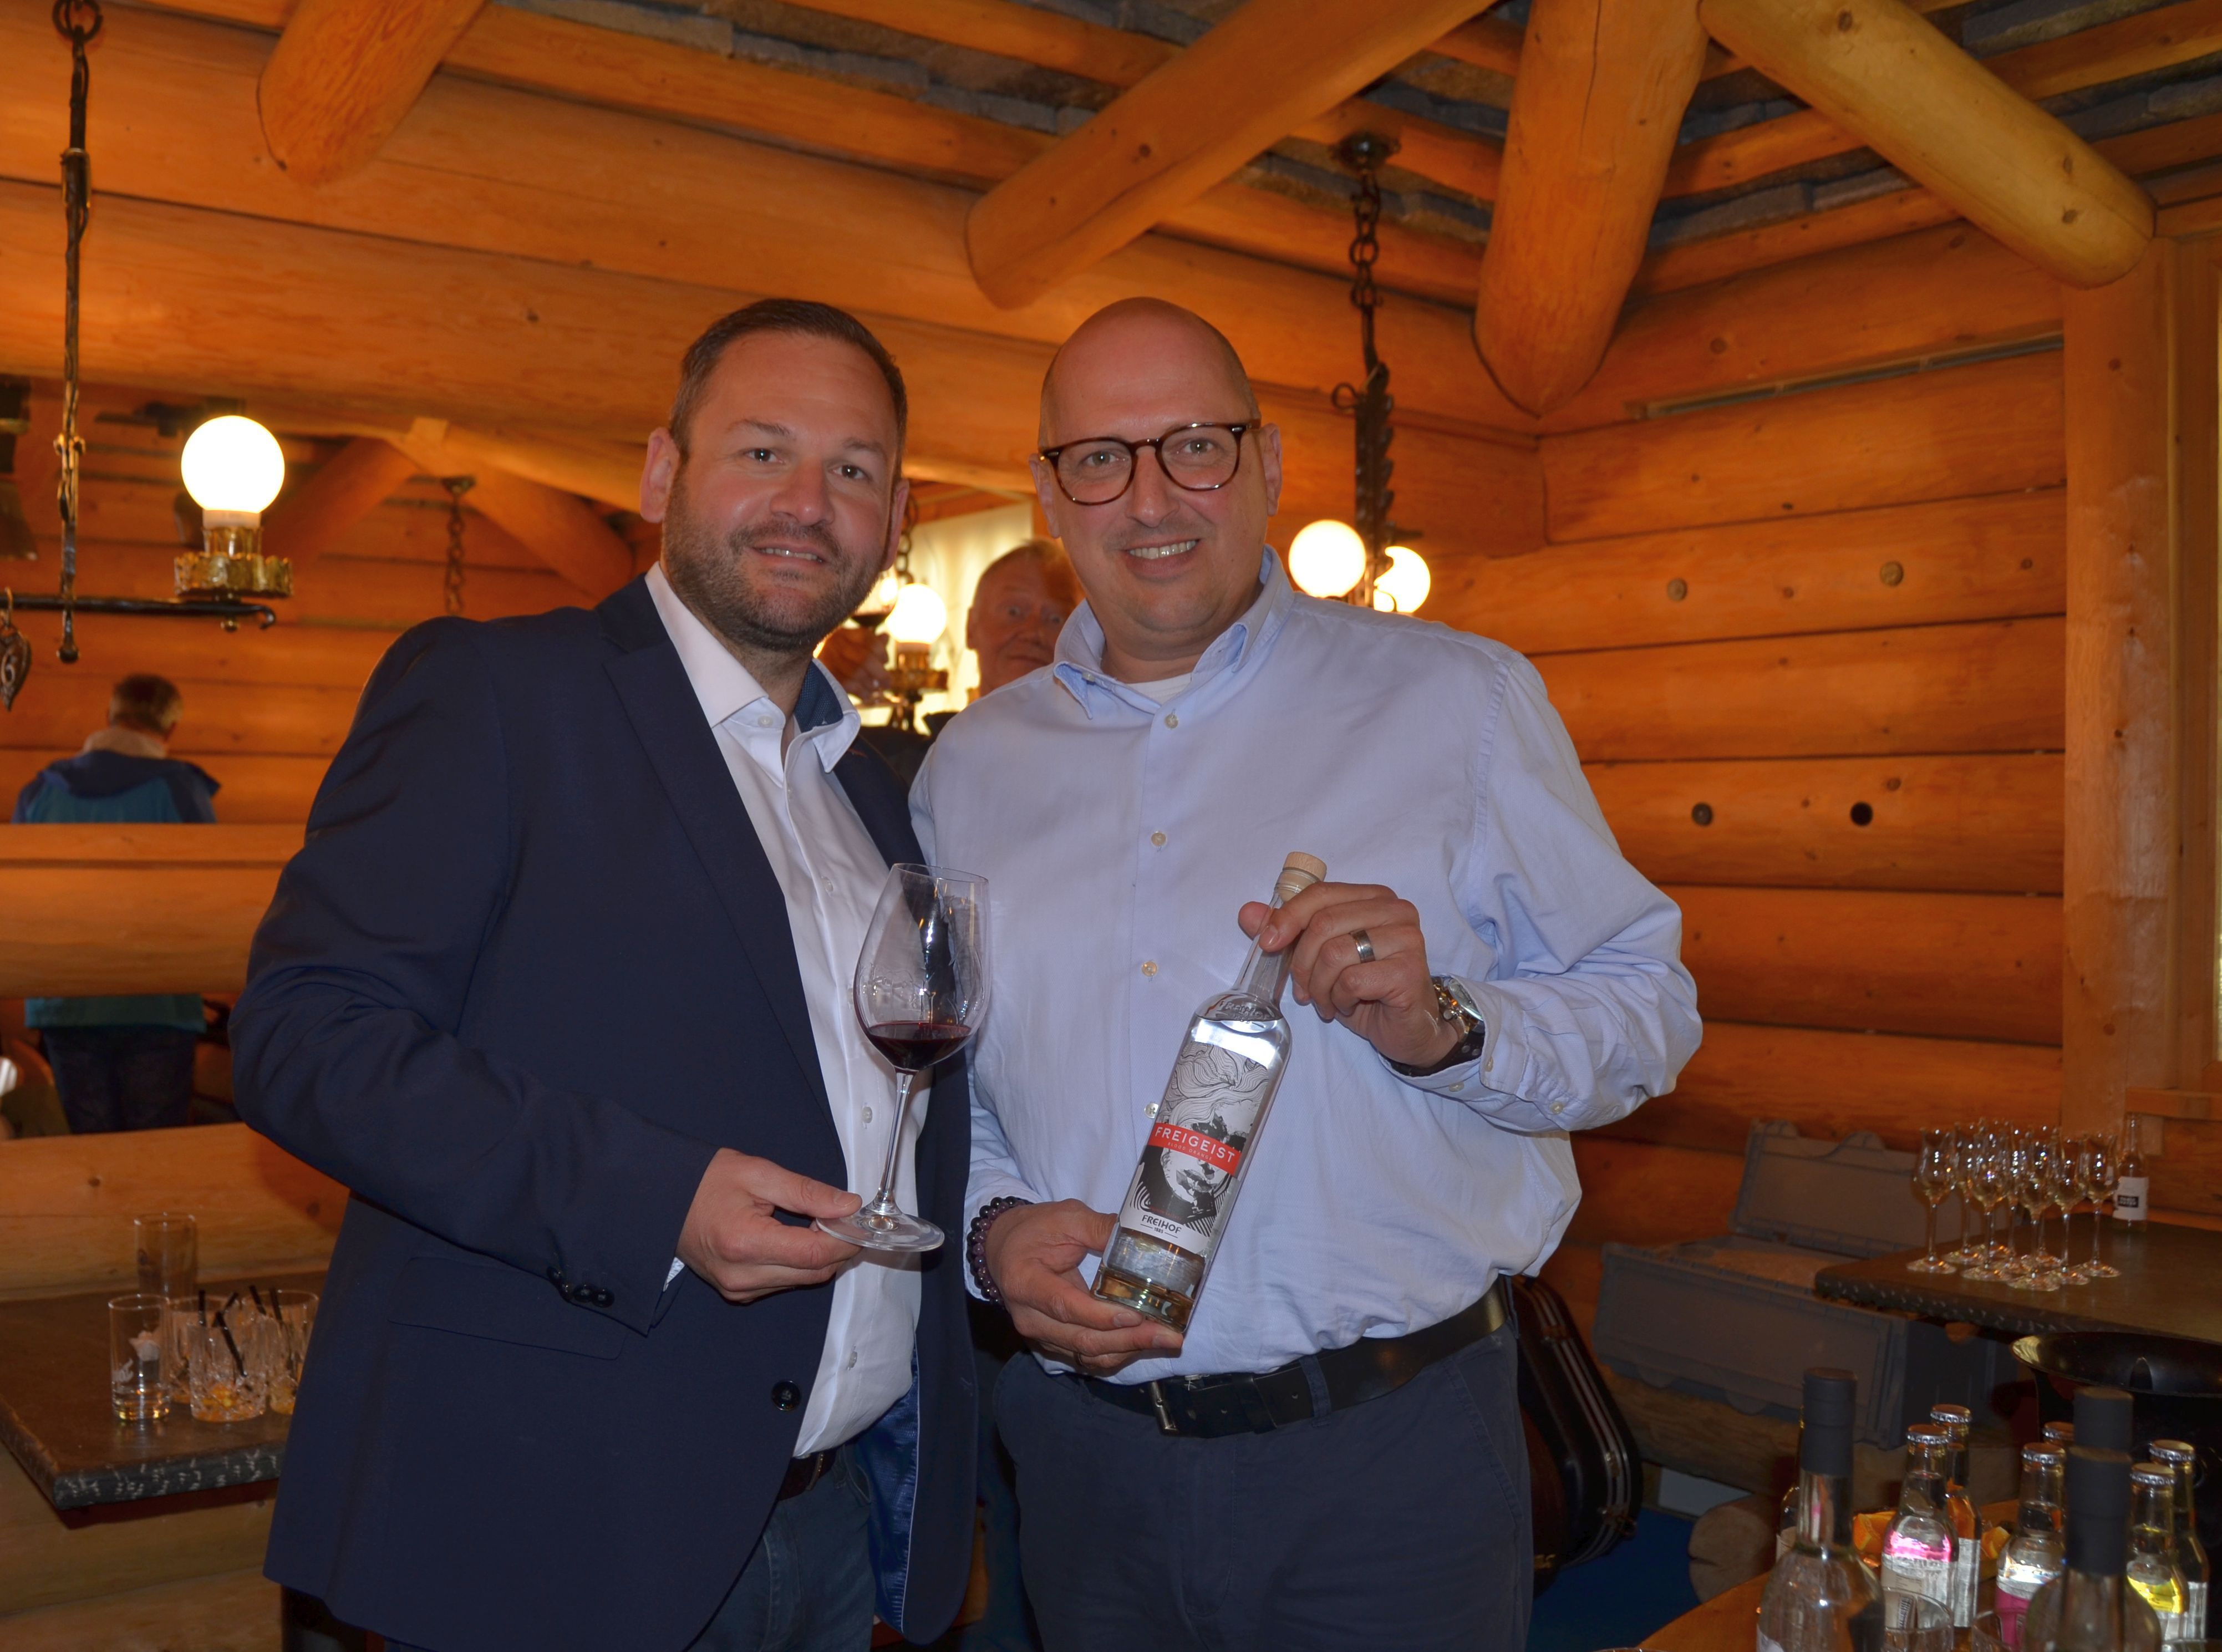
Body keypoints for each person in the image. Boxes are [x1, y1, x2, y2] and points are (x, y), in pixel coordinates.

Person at [913, 298, 1702, 1652]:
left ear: (1267, 461)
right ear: (1049, 494)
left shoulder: (1456, 701)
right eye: (1098, 458)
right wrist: (992, 1231)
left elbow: (1647, 1007)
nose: (1148, 497)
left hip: (1388, 1463)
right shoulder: (969, 771)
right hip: (1088, 1470)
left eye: (1193, 445)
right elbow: (949, 1085)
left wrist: (1446, 1022)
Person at [231, 299, 975, 1652]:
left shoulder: (868, 790)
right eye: (762, 451)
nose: (807, 502)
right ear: (659, 473)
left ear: (895, 518)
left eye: (854, 469)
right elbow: (306, 1036)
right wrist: (656, 1198)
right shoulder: (498, 691)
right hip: (556, 1523)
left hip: (832, 1526)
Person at [14, 673, 216, 1133]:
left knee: (91, 1151)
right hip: (159, 1000)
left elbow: (21, 900)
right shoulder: (181, 791)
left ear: (108, 716)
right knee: (155, 1149)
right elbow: (207, 898)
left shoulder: (40, 793)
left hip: (67, 999)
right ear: (171, 728)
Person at [833, 538, 1079, 788]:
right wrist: (820, 676)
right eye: (1013, 612)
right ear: (971, 628)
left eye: (1056, 618)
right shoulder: (901, 767)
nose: (1032, 632)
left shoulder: (1092, 767)